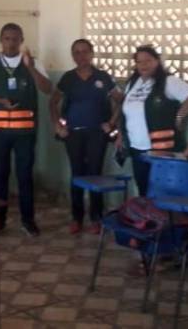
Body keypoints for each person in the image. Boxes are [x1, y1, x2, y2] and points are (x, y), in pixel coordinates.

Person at [0, 23, 52, 236]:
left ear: (21, 40)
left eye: (16, 39)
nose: (11, 42)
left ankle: (28, 221)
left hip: (24, 133)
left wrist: (31, 68)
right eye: (7, 38)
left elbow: (48, 89)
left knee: (25, 176)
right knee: (0, 174)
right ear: (0, 39)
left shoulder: (33, 62)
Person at [50, 39, 121, 235]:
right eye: (76, 53)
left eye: (84, 52)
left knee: (95, 174)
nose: (81, 56)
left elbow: (120, 101)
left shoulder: (103, 77)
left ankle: (96, 218)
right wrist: (57, 125)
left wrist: (112, 123)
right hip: (72, 133)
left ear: (92, 53)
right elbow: (53, 103)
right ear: (73, 56)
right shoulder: (68, 78)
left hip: (97, 134)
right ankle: (76, 217)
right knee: (77, 174)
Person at [116, 45, 188, 196]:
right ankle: (147, 218)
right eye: (139, 62)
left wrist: (180, 117)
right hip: (136, 147)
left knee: (161, 189)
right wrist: (120, 135)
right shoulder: (132, 83)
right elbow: (124, 111)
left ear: (157, 61)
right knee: (143, 187)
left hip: (161, 148)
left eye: (148, 60)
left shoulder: (168, 82)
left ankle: (162, 219)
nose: (144, 65)